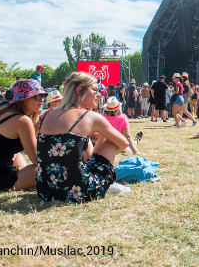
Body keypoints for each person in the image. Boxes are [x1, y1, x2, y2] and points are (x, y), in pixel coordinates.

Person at [36, 72, 129, 202]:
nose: (99, 94)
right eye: (94, 90)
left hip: (46, 189)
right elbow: (124, 143)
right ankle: (104, 184)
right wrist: (101, 137)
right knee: (108, 139)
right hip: (77, 191)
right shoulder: (89, 117)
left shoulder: (46, 115)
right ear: (79, 90)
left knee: (81, 143)